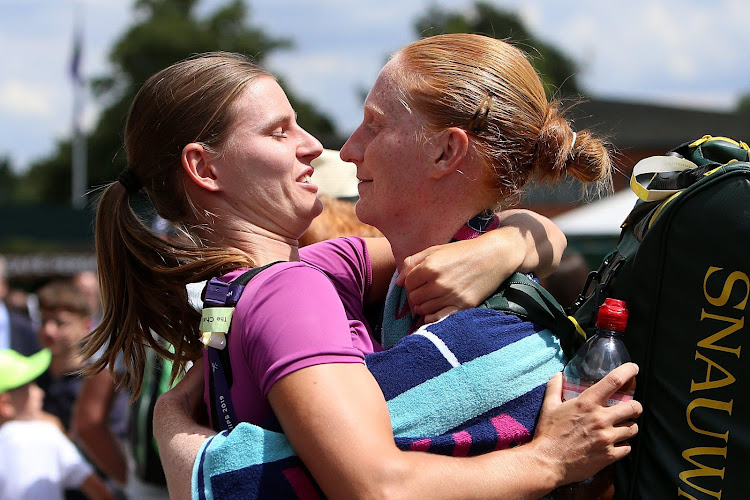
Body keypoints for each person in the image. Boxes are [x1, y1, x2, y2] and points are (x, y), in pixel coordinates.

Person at [87, 44, 639, 500]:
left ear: (448, 152)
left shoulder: (288, 276)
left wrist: (502, 246)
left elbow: (491, 239)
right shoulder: (293, 288)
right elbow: (375, 486)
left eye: (373, 126)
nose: (327, 148)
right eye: (280, 132)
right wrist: (548, 461)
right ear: (204, 168)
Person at [36, 279, 130, 499]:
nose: (48, 330)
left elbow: (113, 442)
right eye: (43, 321)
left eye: (60, 323)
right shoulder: (32, 382)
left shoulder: (101, 382)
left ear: (86, 325)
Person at [0, 348, 113, 500]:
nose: (40, 392)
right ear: (6, 404)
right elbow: (100, 492)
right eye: (30, 386)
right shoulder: (47, 433)